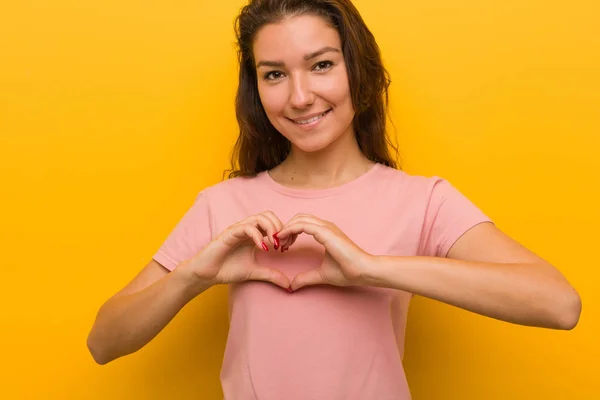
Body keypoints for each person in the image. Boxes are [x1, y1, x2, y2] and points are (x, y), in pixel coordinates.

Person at [86, 0, 582, 398]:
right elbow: (103, 342)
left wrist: (370, 268)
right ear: (256, 90)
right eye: (274, 74)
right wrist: (194, 275)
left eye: (321, 65)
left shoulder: (422, 200)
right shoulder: (223, 206)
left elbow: (558, 305)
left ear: (358, 75)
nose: (299, 96)